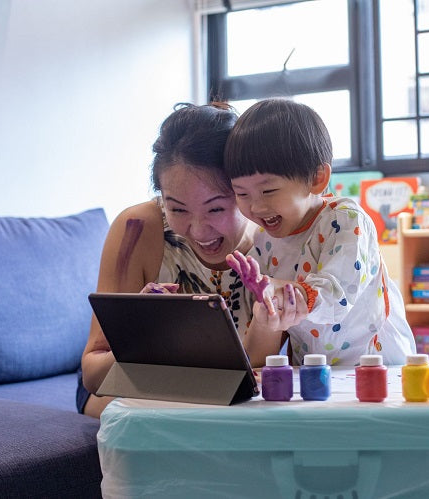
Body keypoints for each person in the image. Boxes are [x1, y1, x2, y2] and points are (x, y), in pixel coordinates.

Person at [79, 102, 307, 418]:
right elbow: (92, 375)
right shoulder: (137, 229)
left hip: (227, 398)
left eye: (215, 209)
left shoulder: (276, 243)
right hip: (126, 386)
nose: (198, 231)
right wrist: (140, 339)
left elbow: (252, 371)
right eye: (178, 209)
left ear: (244, 193)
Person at [224, 98, 416, 367]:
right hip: (317, 373)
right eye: (241, 193)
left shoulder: (346, 220)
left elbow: (336, 296)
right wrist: (265, 307)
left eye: (268, 191)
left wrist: (279, 288)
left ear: (316, 179)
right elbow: (262, 347)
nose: (255, 206)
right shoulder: (263, 241)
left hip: (379, 366)